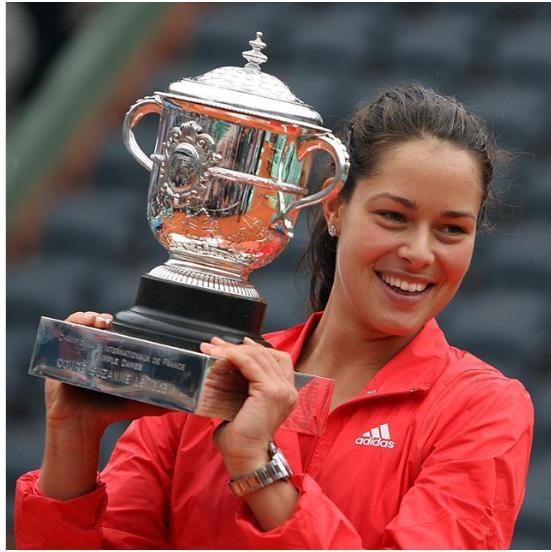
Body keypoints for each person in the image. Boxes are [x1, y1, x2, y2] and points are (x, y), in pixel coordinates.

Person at [15, 83, 533, 549]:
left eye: (452, 230)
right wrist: (72, 437)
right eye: (393, 216)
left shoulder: (481, 410)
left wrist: (257, 466)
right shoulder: (209, 370)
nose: (419, 253)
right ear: (334, 208)